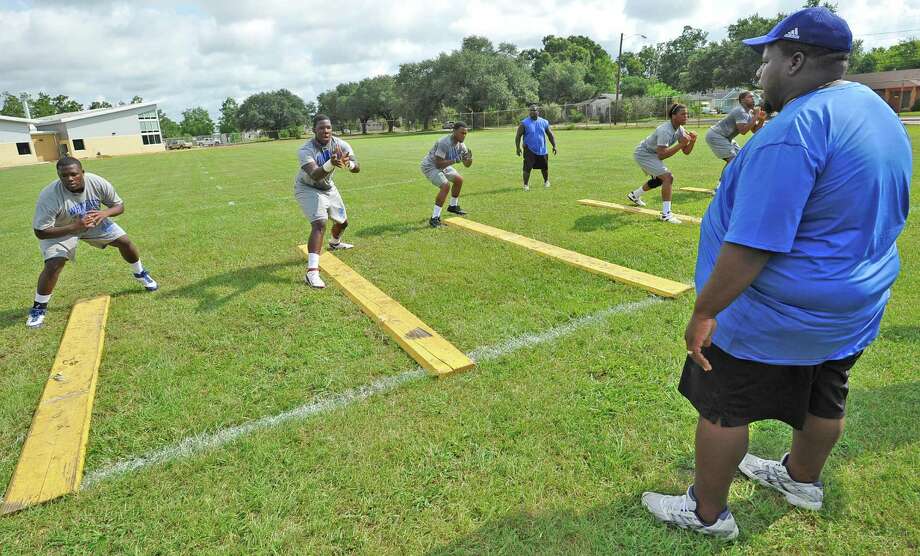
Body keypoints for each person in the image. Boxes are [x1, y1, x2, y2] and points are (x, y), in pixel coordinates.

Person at [641, 7, 912, 540]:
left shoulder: (793, 130)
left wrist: (705, 311)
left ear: (794, 60)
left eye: (764, 62)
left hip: (774, 312)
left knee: (723, 407)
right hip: (854, 302)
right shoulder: (873, 108)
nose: (759, 75)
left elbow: (751, 244)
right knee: (826, 393)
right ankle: (801, 480)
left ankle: (707, 515)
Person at [28, 157, 158, 328]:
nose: (70, 179)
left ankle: (140, 273)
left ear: (82, 172)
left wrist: (104, 214)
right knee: (54, 263)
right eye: (64, 176)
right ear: (59, 176)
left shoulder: (96, 182)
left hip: (93, 222)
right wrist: (74, 227)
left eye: (74, 174)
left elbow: (119, 206)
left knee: (125, 242)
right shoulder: (49, 195)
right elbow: (41, 232)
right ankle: (38, 308)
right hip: (61, 229)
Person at [294, 114, 360, 289]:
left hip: (328, 187)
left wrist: (349, 164)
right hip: (308, 187)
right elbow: (315, 175)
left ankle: (335, 243)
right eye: (321, 128)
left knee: (343, 223)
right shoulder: (305, 150)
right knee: (320, 223)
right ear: (314, 129)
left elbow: (357, 167)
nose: (326, 131)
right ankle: (312, 272)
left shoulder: (340, 144)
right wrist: (331, 163)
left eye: (328, 127)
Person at [627, 104, 697, 224]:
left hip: (652, 154)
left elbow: (686, 152)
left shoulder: (679, 129)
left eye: (687, 114)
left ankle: (634, 195)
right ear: (673, 116)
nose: (686, 117)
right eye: (683, 114)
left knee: (660, 180)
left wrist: (692, 142)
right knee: (668, 177)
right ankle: (666, 215)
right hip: (644, 154)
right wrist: (680, 144)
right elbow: (662, 155)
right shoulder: (665, 130)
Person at [705, 91, 766, 188]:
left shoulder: (749, 113)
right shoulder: (739, 111)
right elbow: (743, 131)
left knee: (741, 158)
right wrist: (756, 116)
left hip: (726, 138)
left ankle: (735, 184)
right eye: (750, 97)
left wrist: (761, 119)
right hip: (716, 135)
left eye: (753, 97)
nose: (753, 99)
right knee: (733, 160)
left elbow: (755, 130)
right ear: (742, 100)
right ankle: (720, 186)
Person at [420, 122, 472, 228]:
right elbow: (438, 163)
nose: (464, 135)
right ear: (454, 131)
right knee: (445, 185)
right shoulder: (444, 143)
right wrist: (456, 160)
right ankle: (434, 219)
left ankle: (453, 206)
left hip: (443, 165)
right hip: (430, 166)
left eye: (465, 133)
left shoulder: (461, 145)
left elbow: (467, 165)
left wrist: (469, 159)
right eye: (462, 133)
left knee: (459, 180)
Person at [515, 104, 557, 191]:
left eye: (534, 110)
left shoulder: (544, 122)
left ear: (538, 111)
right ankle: (526, 185)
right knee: (527, 168)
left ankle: (546, 181)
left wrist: (554, 146)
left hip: (542, 149)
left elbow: (550, 134)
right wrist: (518, 148)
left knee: (544, 167)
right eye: (530, 110)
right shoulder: (524, 123)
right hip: (529, 149)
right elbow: (518, 136)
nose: (532, 112)